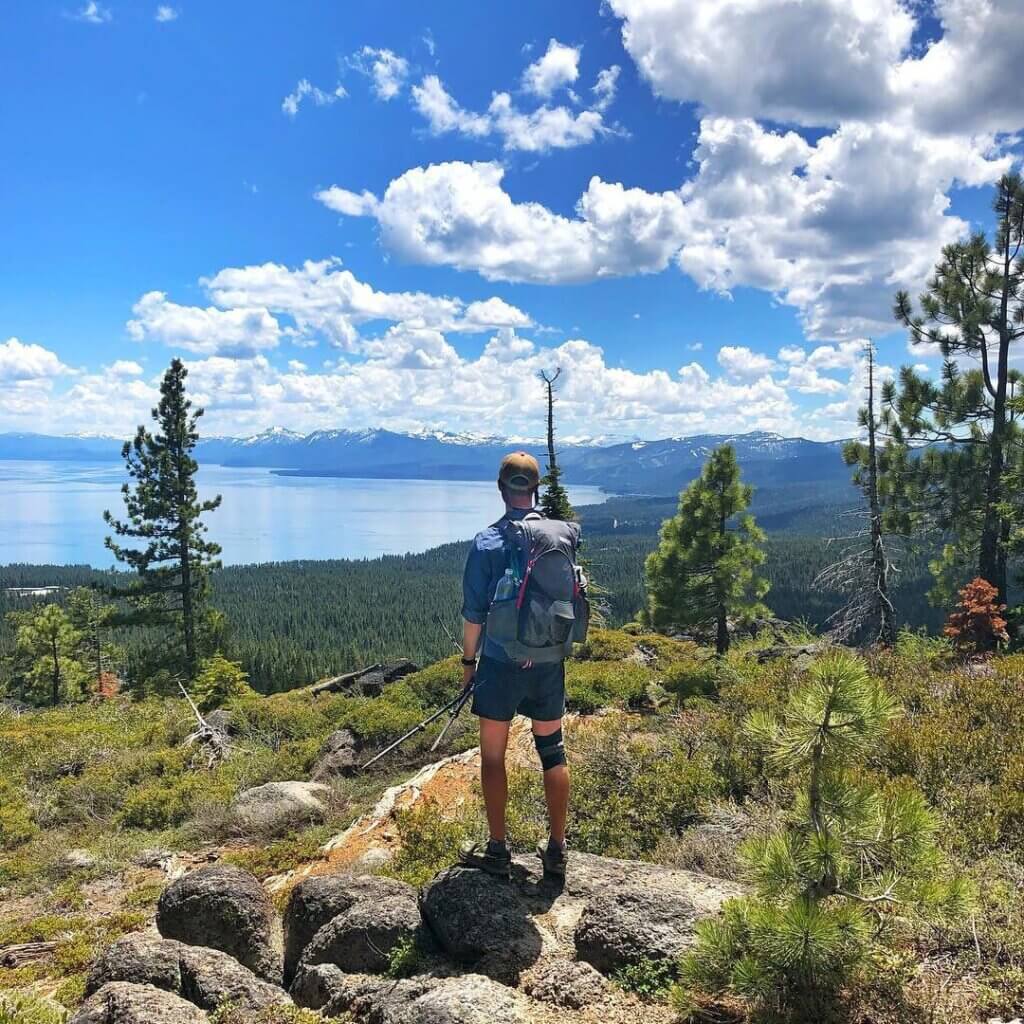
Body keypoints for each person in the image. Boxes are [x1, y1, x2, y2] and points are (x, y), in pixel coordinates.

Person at [458, 451, 573, 879]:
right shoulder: (558, 537)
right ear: (537, 488)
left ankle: (498, 850)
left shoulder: (488, 542)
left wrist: (469, 662)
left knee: (493, 757)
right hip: (547, 661)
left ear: (501, 488)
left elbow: (473, 615)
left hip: (500, 662)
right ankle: (557, 849)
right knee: (552, 752)